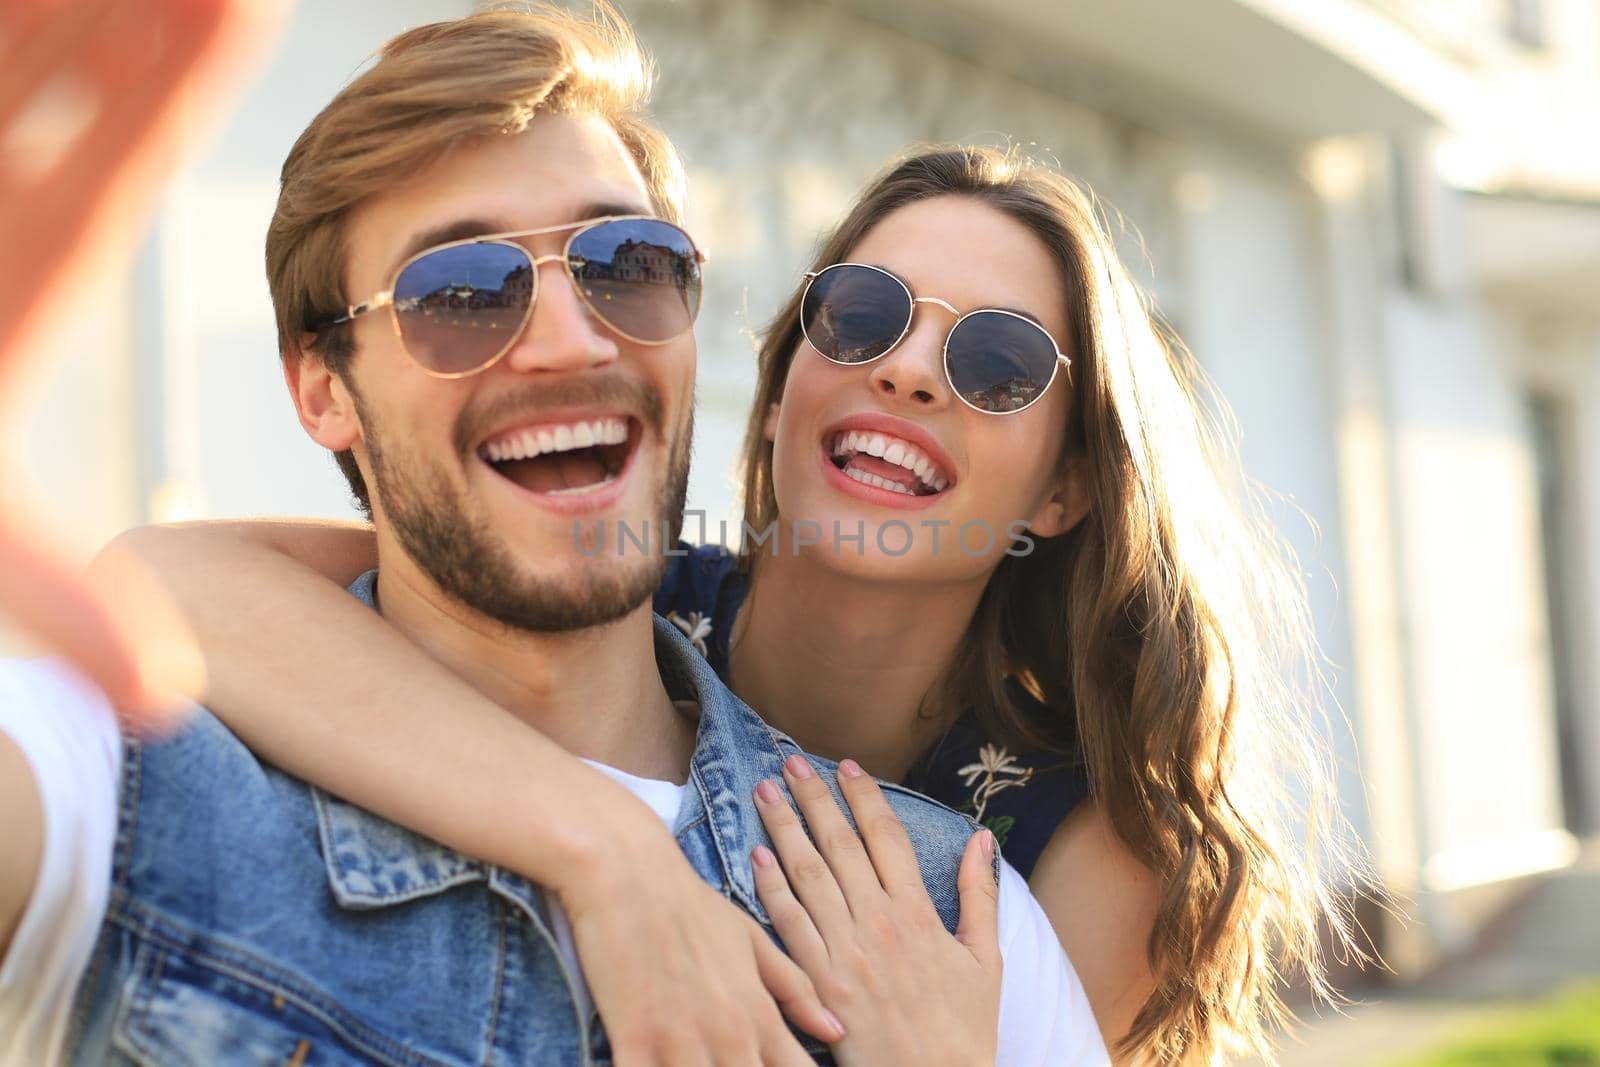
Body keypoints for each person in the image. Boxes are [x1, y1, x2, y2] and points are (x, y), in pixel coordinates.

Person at [102, 87, 1365, 1067]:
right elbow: (171, 586)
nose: (910, 371)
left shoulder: (1076, 845)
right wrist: (614, 853)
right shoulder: (615, 595)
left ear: (1062, 487)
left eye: (995, 361)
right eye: (863, 315)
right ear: (774, 399)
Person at [0, 7, 1107, 1066]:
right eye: (460, 289)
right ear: (323, 390)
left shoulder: (951, 925)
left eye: (625, 263)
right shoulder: (123, 780)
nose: (570, 339)